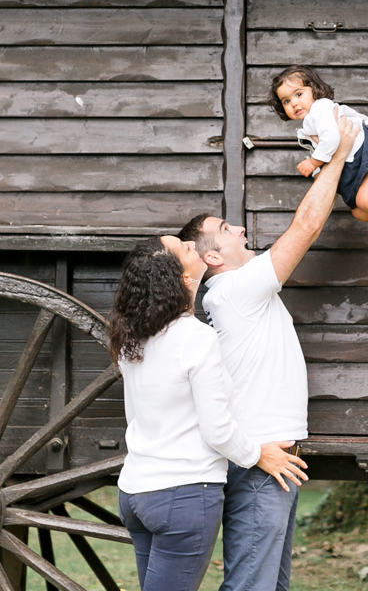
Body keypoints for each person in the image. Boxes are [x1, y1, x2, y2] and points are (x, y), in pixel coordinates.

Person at [177, 111, 358, 591]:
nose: (239, 229)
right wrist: (338, 153)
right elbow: (306, 225)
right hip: (263, 459)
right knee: (251, 587)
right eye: (226, 227)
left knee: (269, 586)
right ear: (213, 257)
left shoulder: (235, 293)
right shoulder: (236, 290)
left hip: (274, 457)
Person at [110, 236, 309, 591]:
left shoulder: (131, 338)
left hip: (135, 493)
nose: (191, 244)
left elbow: (135, 418)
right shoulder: (196, 338)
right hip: (182, 495)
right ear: (185, 280)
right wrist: (258, 453)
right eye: (185, 248)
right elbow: (217, 430)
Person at [270, 63, 368, 253]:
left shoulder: (319, 109)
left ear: (315, 91)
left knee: (364, 200)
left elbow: (333, 138)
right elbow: (328, 149)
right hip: (359, 165)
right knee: (359, 212)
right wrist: (321, 172)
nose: (293, 103)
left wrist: (313, 163)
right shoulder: (309, 124)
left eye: (298, 94)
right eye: (286, 101)